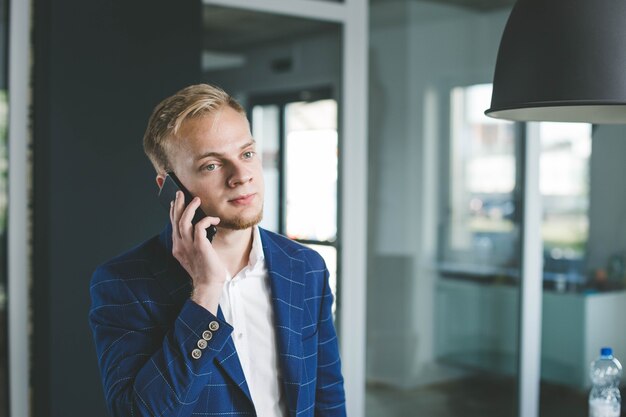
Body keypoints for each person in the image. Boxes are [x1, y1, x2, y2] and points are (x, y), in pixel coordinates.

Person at [89, 84, 346, 417]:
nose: (242, 176)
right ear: (170, 188)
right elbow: (138, 413)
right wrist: (205, 293)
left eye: (247, 154)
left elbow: (327, 397)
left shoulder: (306, 267)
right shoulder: (123, 283)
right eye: (211, 165)